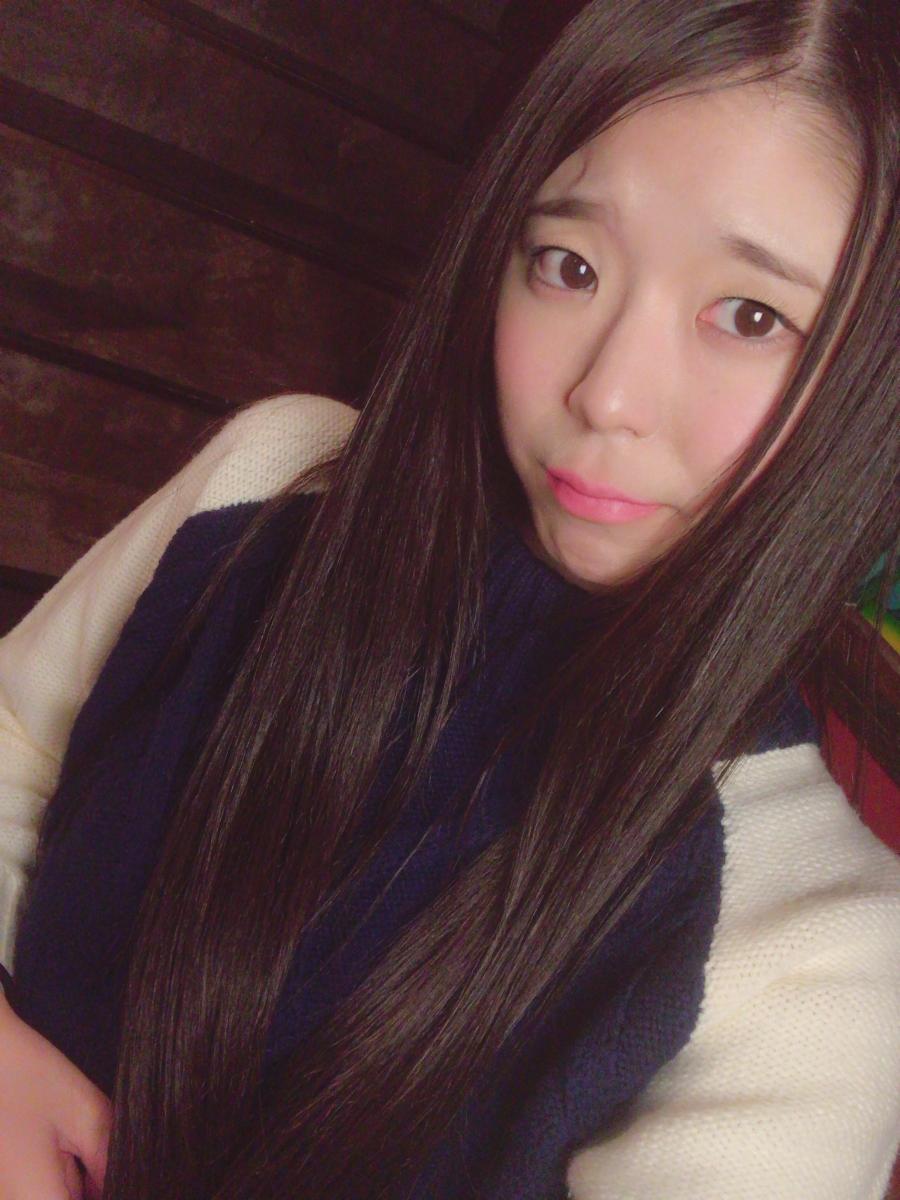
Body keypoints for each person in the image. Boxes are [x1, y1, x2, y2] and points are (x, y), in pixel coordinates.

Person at [0, 0, 898, 1196]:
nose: (608, 394)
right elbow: (15, 740)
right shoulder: (271, 486)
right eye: (569, 266)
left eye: (751, 316)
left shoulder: (811, 948)